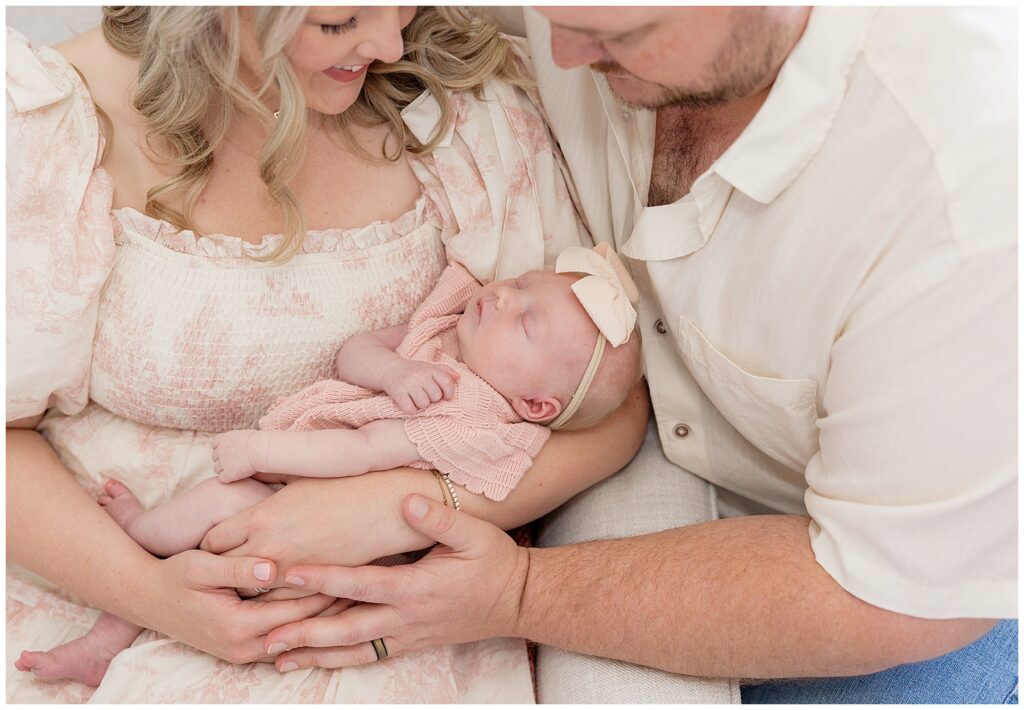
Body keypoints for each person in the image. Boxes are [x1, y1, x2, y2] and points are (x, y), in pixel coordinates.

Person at [255, 6, 1018, 704]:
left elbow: (890, 596)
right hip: (654, 467)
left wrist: (516, 591)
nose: (558, 49)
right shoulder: (595, 21)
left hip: (884, 602)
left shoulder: (962, 211)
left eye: (619, 35)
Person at [6, 6, 651, 703]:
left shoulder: (457, 105)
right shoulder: (42, 129)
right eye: (341, 21)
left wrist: (400, 505)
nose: (390, 42)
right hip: (87, 558)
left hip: (367, 606)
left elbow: (604, 407)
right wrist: (150, 594)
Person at [16, 246, 642, 687]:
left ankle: (120, 589)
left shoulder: (472, 418)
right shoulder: (448, 332)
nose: (505, 295)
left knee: (206, 519)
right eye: (523, 283)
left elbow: (363, 452)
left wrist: (260, 452)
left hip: (317, 517)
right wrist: (396, 370)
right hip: (296, 482)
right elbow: (356, 352)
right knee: (204, 538)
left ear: (537, 404)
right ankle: (136, 573)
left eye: (525, 320)